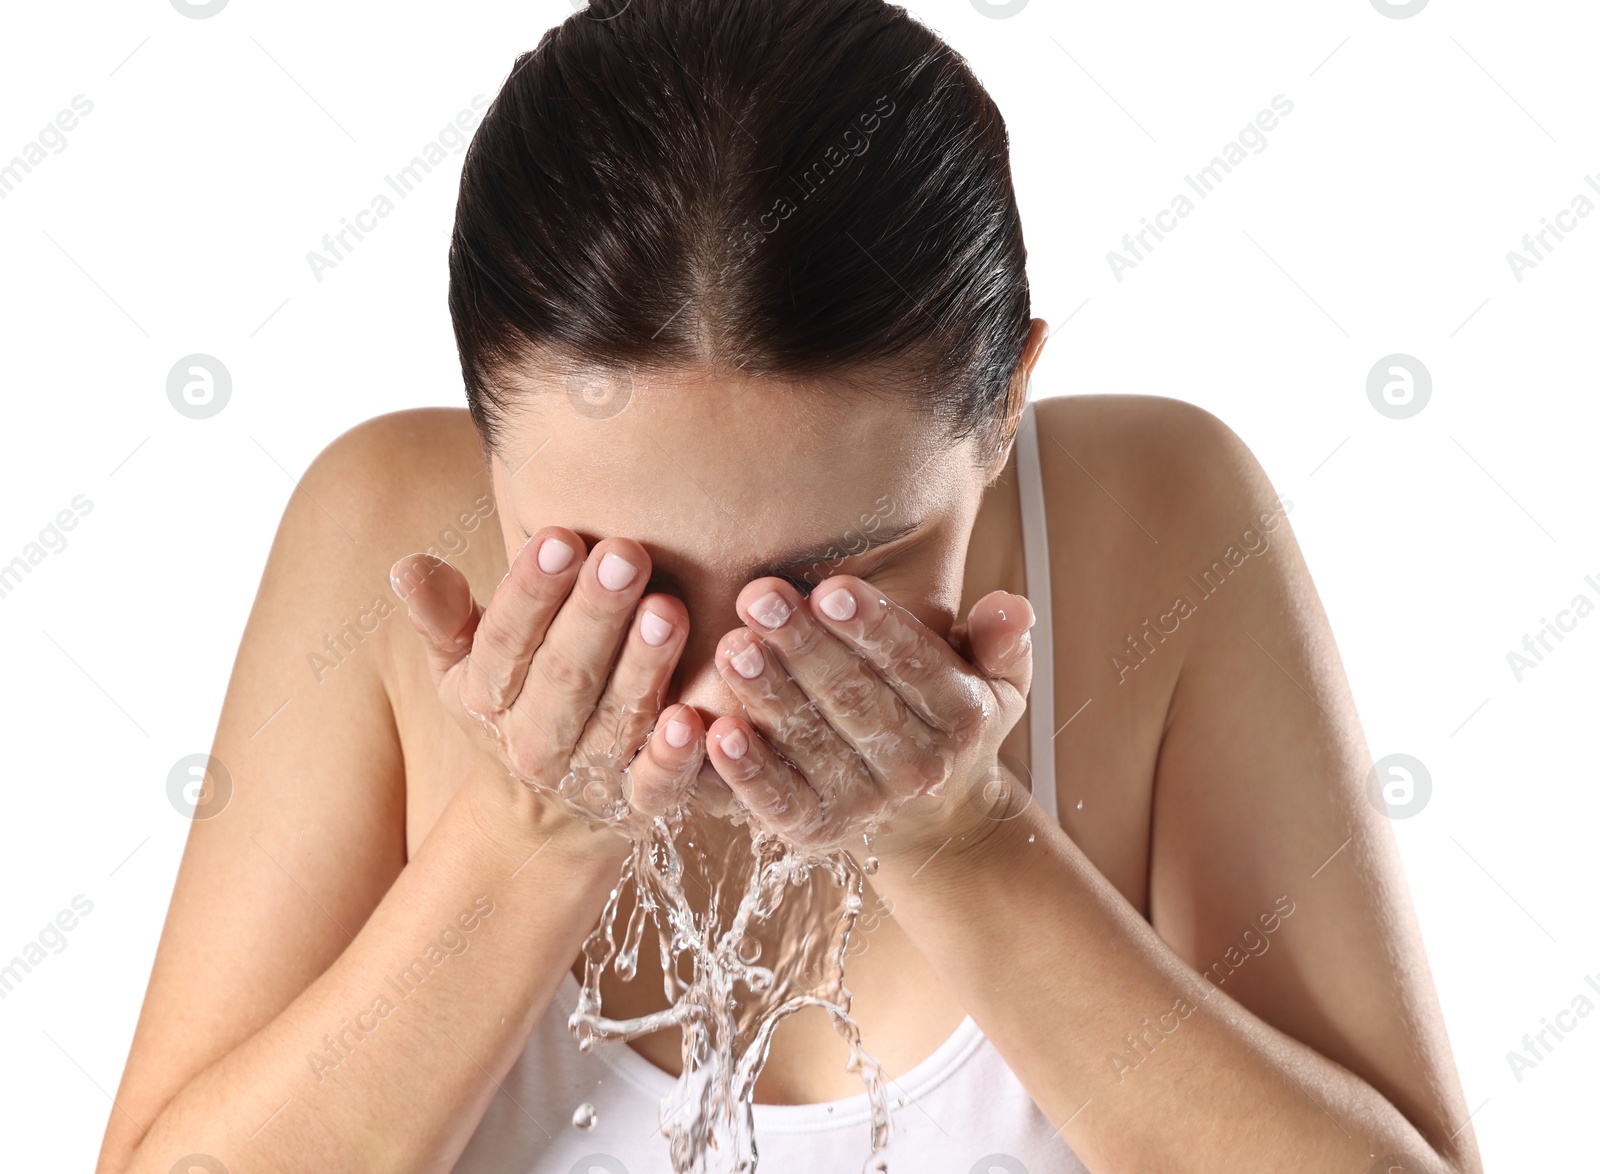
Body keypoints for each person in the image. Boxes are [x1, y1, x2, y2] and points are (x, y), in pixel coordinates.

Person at [97, 1, 1481, 1171]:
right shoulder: (380, 539)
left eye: (824, 579)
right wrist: (531, 832)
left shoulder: (1166, 519)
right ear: (485, 433)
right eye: (613, 569)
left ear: (1003, 410)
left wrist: (962, 837)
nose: (713, 687)